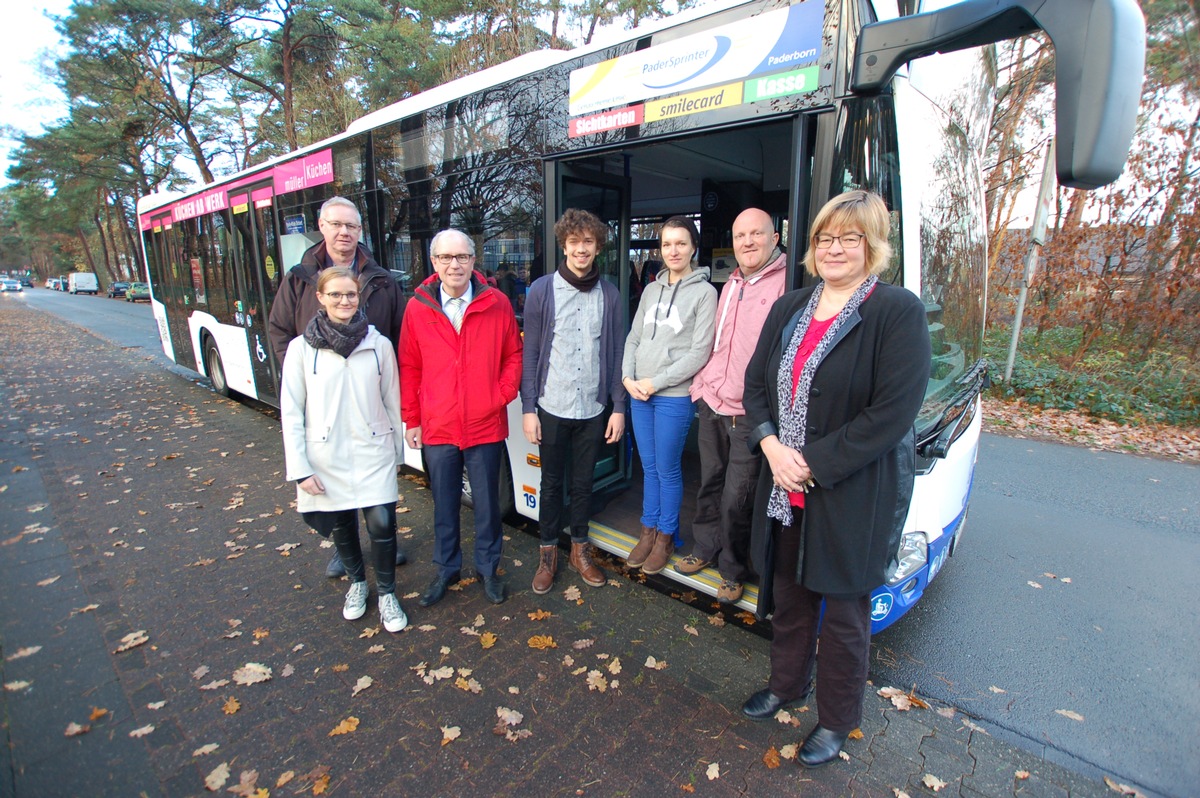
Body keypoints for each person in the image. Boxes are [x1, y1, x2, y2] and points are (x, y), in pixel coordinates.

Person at [740, 191, 931, 767]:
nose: (835, 248)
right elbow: (754, 388)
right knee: (790, 596)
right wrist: (772, 446)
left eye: (851, 239)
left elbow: (891, 415)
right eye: (826, 238)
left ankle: (837, 719)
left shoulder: (896, 311)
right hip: (782, 485)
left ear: (873, 247)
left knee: (845, 615)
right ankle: (787, 683)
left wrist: (812, 464)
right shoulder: (790, 306)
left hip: (849, 494)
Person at [268, 196, 408, 580]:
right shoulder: (300, 277)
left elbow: (398, 336)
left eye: (352, 226)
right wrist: (308, 375)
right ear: (322, 226)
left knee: (379, 507)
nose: (344, 233)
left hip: (368, 406)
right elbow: (279, 329)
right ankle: (348, 558)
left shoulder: (380, 279)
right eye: (336, 225)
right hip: (325, 407)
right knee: (335, 502)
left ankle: (382, 552)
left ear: (360, 231)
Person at [280, 267, 409, 633]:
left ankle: (386, 593)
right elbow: (291, 410)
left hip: (374, 448)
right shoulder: (301, 350)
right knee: (342, 524)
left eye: (350, 295)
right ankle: (356, 584)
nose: (344, 301)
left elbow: (392, 401)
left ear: (359, 297)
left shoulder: (378, 344)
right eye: (335, 295)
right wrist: (300, 468)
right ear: (320, 298)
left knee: (382, 524)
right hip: (325, 454)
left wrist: (397, 454)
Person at [399, 230, 522, 606]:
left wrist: (498, 396)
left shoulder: (496, 302)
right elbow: (410, 366)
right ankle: (446, 569)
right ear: (434, 263)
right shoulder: (417, 308)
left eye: (463, 257)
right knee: (445, 503)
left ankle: (488, 570)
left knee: (488, 506)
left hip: (485, 424)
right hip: (438, 426)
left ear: (473, 260)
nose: (455, 265)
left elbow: (513, 355)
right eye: (447, 258)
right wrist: (412, 419)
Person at [679, 208, 787, 604]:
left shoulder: (786, 287)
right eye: (741, 235)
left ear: (774, 238)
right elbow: (716, 342)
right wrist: (701, 386)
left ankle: (732, 569)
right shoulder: (729, 283)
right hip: (711, 401)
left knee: (737, 496)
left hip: (748, 412)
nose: (747, 242)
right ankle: (704, 548)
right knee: (709, 482)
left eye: (756, 234)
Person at [521, 209, 626, 595]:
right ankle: (548, 551)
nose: (581, 249)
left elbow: (616, 355)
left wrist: (618, 406)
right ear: (563, 245)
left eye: (588, 242)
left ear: (597, 247)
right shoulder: (541, 291)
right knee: (550, 485)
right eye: (574, 242)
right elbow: (530, 352)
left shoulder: (610, 294)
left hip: (593, 410)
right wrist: (528, 408)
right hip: (552, 405)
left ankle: (579, 551)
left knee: (583, 485)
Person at [621, 217, 717, 574]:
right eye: (666, 244)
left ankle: (665, 536)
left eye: (680, 243)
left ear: (693, 247)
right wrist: (627, 376)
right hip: (638, 393)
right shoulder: (650, 290)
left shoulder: (705, 293)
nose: (673, 250)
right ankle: (648, 531)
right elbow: (633, 337)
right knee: (648, 468)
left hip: (672, 396)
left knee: (667, 468)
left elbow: (699, 352)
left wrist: (654, 382)